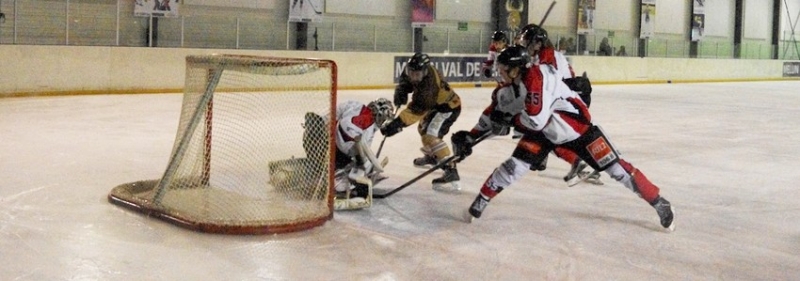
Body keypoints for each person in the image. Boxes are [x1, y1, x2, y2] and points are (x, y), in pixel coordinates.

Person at [452, 46, 675, 232]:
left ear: (515, 69)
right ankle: (480, 201)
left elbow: (535, 120)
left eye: (503, 69)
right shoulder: (508, 90)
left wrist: (511, 121)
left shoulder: (536, 79)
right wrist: (471, 137)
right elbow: (494, 113)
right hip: (546, 134)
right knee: (513, 167)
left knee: (618, 170)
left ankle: (658, 201)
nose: (499, 73)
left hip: (579, 131)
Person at [518, 24, 600, 184]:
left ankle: (583, 164)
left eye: (526, 40)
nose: (523, 43)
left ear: (537, 42)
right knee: (543, 129)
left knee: (548, 131)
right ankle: (545, 157)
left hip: (572, 101)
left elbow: (547, 82)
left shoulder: (547, 55)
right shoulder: (542, 54)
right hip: (567, 98)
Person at [381, 53, 463, 192]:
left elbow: (416, 111)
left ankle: (451, 169)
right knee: (423, 130)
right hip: (435, 106)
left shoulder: (429, 88)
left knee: (430, 136)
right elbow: (405, 78)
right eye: (411, 73)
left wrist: (397, 124)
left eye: (417, 74)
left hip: (447, 107)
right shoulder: (414, 69)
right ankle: (432, 157)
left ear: (424, 72)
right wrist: (401, 88)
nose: (413, 76)